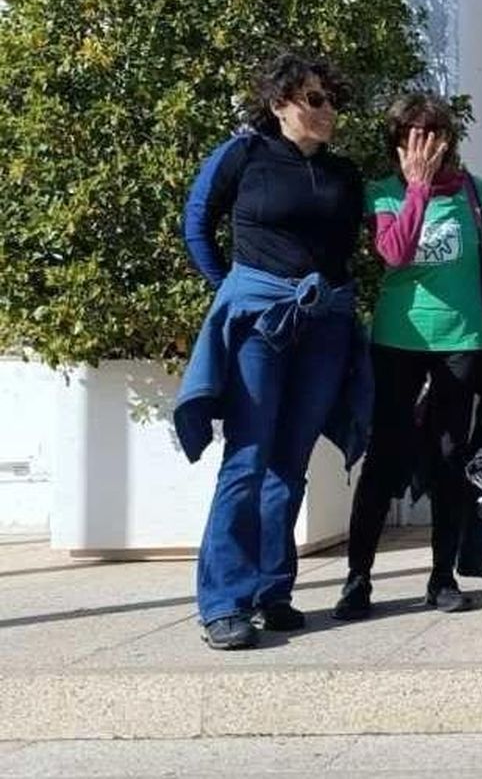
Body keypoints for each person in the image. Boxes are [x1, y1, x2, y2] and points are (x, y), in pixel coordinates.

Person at [175, 53, 369, 651]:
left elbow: (345, 252)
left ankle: (271, 589)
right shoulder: (244, 154)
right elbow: (198, 224)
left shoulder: (344, 174)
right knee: (248, 457)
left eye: (331, 100)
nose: (326, 110)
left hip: (325, 325)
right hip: (261, 323)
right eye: (314, 99)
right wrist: (235, 290)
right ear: (281, 103)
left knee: (290, 463)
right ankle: (223, 601)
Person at [333, 93, 482, 621]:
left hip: (461, 339)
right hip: (399, 338)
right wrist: (419, 189)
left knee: (450, 455)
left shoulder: (476, 193)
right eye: (411, 134)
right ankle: (358, 579)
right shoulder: (383, 193)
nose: (423, 143)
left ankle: (441, 577)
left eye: (432, 133)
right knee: (386, 457)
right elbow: (394, 253)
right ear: (397, 142)